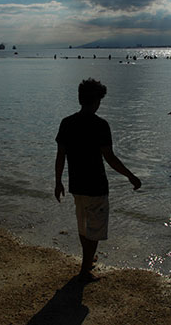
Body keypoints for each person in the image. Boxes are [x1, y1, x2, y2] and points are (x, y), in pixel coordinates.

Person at [55, 78, 141, 282]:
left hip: (76, 185)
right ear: (96, 101)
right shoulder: (100, 125)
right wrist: (130, 176)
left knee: (84, 226)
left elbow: (60, 156)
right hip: (96, 186)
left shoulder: (67, 123)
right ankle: (85, 271)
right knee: (94, 229)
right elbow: (109, 158)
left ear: (80, 98)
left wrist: (58, 181)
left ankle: (87, 261)